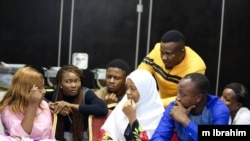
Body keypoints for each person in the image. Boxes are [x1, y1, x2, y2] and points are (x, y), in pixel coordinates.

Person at [151, 72, 230, 141]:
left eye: (183, 94)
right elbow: (159, 136)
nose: (177, 97)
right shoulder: (175, 106)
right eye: (178, 92)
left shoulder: (219, 110)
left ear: (198, 97)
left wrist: (185, 120)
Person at [138, 30, 206, 108]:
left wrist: (155, 103)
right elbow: (141, 74)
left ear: (181, 53)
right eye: (162, 53)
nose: (164, 57)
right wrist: (148, 96)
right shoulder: (158, 49)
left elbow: (186, 97)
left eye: (168, 54)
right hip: (156, 101)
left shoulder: (196, 66)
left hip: (179, 107)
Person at [45, 65, 108, 141]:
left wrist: (71, 105)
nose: (74, 85)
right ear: (60, 84)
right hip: (57, 136)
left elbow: (102, 108)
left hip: (82, 137)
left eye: (77, 81)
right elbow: (32, 95)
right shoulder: (54, 91)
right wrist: (50, 105)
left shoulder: (86, 92)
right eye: (68, 81)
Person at [100, 69, 165, 141]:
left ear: (145, 91)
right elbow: (107, 132)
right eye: (127, 88)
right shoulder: (124, 104)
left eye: (132, 88)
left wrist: (132, 117)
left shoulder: (157, 115)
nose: (128, 92)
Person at [0, 66, 55, 140]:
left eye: (43, 87)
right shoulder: (8, 109)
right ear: (26, 90)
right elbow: (20, 137)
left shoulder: (43, 105)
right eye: (39, 88)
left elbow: (50, 136)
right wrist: (32, 105)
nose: (44, 91)